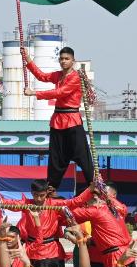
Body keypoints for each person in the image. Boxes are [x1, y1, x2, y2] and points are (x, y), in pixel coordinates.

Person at [21, 45, 95, 189]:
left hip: (72, 120)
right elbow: (41, 76)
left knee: (82, 156)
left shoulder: (76, 77)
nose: (63, 61)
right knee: (56, 157)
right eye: (61, 59)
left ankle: (94, 186)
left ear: (73, 61)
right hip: (57, 120)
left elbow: (60, 92)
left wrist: (34, 93)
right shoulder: (58, 75)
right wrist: (28, 58)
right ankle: (52, 188)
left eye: (67, 59)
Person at [16, 179, 67, 267]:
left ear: (46, 192)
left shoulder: (55, 206)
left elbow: (76, 203)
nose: (39, 199)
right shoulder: (27, 206)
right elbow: (2, 202)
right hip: (32, 250)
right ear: (31, 193)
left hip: (52, 251)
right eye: (36, 195)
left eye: (42, 195)